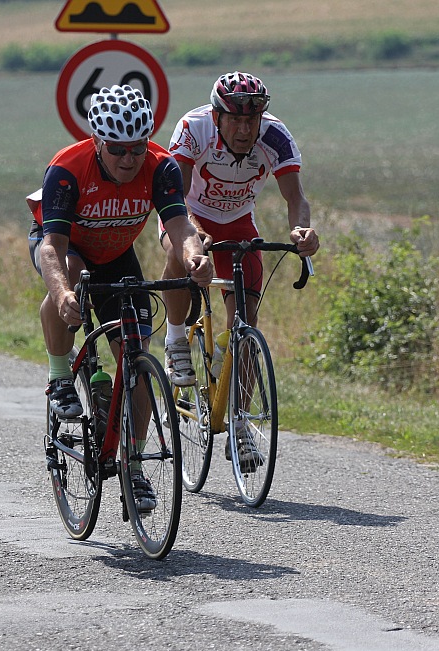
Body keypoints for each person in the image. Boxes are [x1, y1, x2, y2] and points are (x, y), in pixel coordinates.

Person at [27, 85, 212, 512]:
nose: (129, 159)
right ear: (97, 141)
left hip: (115, 255)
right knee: (69, 279)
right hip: (66, 248)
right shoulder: (67, 169)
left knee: (136, 360)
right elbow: (52, 248)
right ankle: (60, 376)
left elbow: (180, 227)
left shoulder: (160, 167)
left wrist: (194, 257)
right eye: (117, 150)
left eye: (136, 148)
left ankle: (134, 464)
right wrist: (63, 293)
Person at [159, 72, 319, 465]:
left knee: (246, 324)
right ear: (217, 117)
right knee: (181, 252)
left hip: (238, 222)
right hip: (186, 215)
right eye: (235, 120)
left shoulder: (275, 136)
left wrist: (301, 230)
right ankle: (176, 340)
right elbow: (174, 197)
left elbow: (296, 198)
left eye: (252, 120)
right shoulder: (194, 128)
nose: (245, 130)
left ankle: (240, 421)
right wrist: (193, 234)